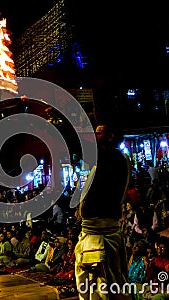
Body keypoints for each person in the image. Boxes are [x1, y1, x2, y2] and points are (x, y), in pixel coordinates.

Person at [75, 123, 132, 300]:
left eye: (98, 133)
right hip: (94, 230)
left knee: (102, 283)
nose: (94, 136)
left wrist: (58, 120)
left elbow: (77, 142)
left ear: (110, 136)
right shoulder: (105, 160)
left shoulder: (113, 159)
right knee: (96, 282)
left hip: (101, 232)